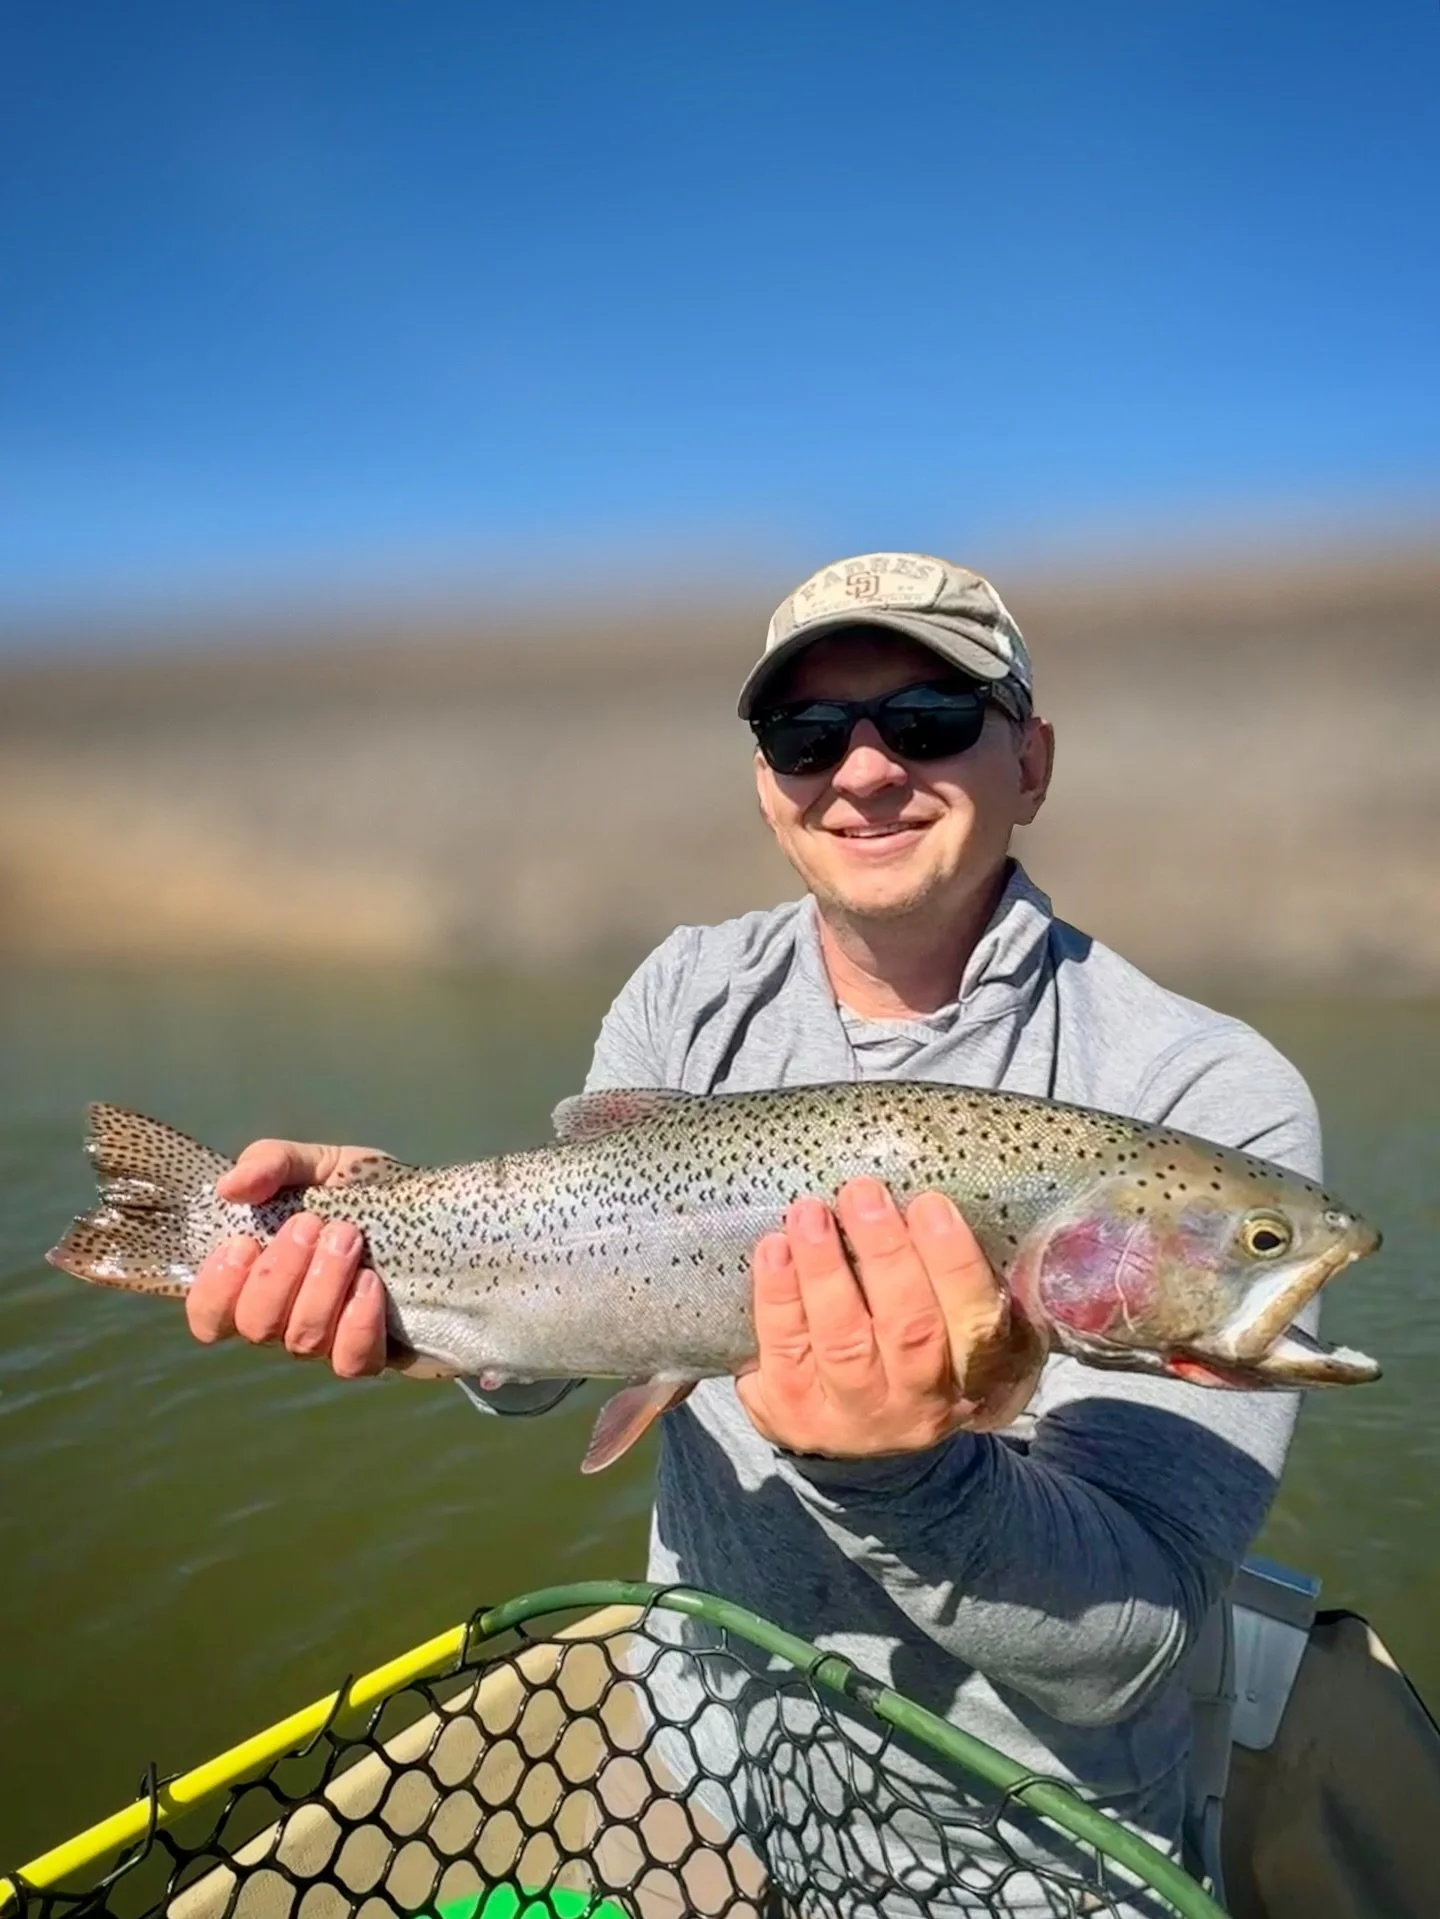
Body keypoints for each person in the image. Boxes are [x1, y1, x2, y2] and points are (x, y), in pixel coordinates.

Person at [184, 552, 1320, 1907]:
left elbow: (1129, 1650)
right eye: (806, 734)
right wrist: (387, 1262)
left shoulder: (1205, 1100)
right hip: (696, 1756)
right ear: (767, 779)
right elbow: (554, 1349)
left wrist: (906, 1476)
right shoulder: (688, 988)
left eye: (929, 718)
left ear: (1034, 756)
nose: (864, 769)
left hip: (1026, 1842)